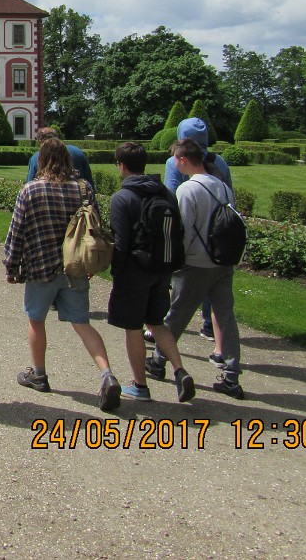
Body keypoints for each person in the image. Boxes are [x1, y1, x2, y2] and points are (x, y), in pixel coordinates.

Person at [3, 138, 122, 412]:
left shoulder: (30, 190)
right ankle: (107, 374)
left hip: (41, 266)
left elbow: (16, 232)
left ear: (41, 161)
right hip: (75, 266)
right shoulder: (83, 189)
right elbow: (95, 227)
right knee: (82, 323)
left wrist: (11, 266)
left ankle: (39, 374)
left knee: (36, 320)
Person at [146, 138, 246, 398]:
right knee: (225, 316)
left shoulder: (188, 190)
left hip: (196, 263)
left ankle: (158, 361)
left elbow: (185, 231)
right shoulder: (222, 187)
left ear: (182, 159)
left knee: (176, 313)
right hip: (222, 261)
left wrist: (175, 263)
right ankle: (232, 375)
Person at [107, 141, 195, 402]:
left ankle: (139, 385)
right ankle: (179, 370)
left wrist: (116, 272)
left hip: (134, 271)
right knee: (157, 323)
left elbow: (120, 243)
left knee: (133, 328)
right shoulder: (166, 193)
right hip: (162, 268)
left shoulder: (122, 198)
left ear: (121, 166)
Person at [163, 117, 232, 344]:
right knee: (220, 300)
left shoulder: (175, 162)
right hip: (221, 238)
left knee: (180, 298)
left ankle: (161, 351)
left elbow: (171, 197)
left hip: (193, 240)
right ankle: (210, 329)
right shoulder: (219, 161)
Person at [26, 126, 94, 191]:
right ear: (57, 137)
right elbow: (88, 180)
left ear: (40, 141)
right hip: (76, 195)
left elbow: (29, 183)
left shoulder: (36, 157)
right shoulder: (77, 152)